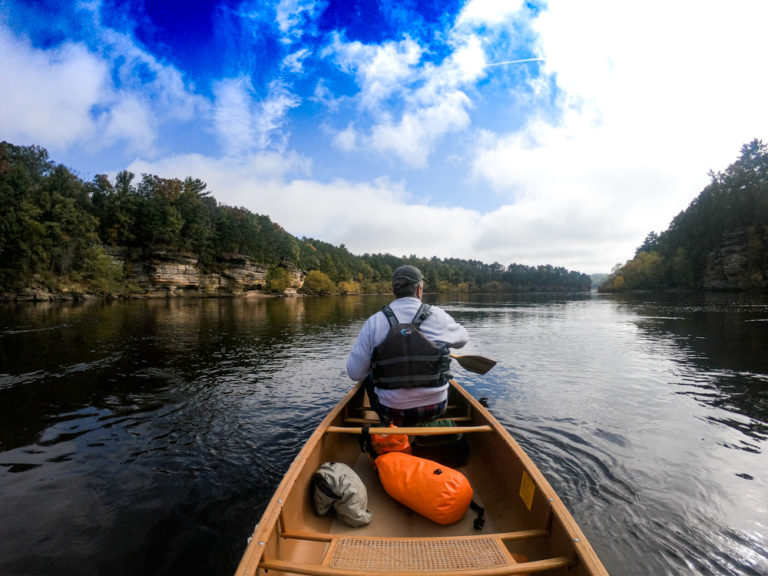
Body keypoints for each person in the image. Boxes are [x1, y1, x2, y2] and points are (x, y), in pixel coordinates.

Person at [346, 265, 469, 426]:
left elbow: (355, 374)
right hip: (436, 408)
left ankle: (387, 424)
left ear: (395, 290)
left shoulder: (374, 322)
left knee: (368, 374)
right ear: (419, 289)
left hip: (391, 412)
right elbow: (463, 340)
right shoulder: (438, 316)